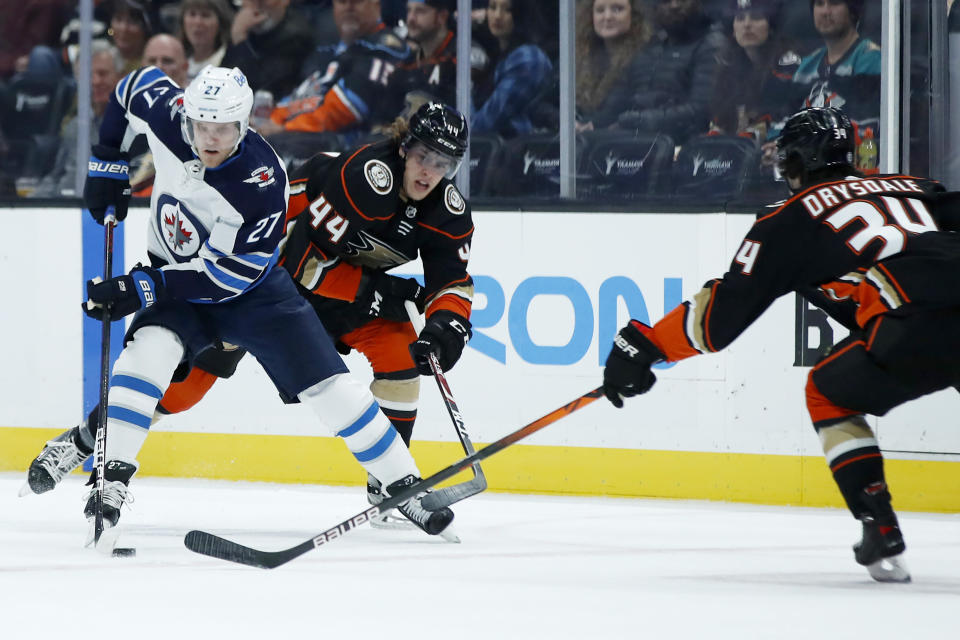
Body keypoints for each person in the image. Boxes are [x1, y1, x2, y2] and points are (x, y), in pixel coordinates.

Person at [21, 65, 454, 544]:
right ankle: (109, 480)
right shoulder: (169, 116)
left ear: (244, 123)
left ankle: (404, 484)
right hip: (176, 284)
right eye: (202, 125)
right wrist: (107, 159)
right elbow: (132, 87)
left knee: (331, 387)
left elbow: (228, 277)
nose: (211, 137)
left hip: (254, 294)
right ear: (187, 114)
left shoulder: (261, 181)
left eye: (224, 128)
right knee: (149, 360)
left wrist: (143, 288)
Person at [601, 106, 960, 584]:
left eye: (788, 163)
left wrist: (646, 346)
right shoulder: (914, 186)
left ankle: (880, 523)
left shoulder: (787, 219)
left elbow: (718, 319)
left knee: (828, 391)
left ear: (799, 164)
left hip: (910, 314)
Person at [256, 0, 411, 140]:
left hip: (346, 144)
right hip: (303, 133)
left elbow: (345, 108)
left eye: (356, 2)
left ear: (376, 4)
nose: (348, 8)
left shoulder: (386, 48)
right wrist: (272, 121)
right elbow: (301, 97)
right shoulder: (328, 49)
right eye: (342, 2)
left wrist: (285, 128)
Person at [591, 0, 728, 144]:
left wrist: (636, 120)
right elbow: (620, 98)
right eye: (665, 1)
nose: (674, 5)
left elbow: (700, 112)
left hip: (679, 147)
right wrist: (593, 124)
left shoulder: (711, 45)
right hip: (637, 140)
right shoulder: (652, 45)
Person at [30, 41, 124, 198]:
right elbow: (55, 178)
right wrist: (28, 207)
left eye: (103, 73)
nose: (95, 81)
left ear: (121, 77)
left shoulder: (137, 126)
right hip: (65, 210)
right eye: (87, 76)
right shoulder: (75, 126)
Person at [707, 0, 800, 141]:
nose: (747, 25)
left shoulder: (788, 62)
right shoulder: (727, 65)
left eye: (756, 17)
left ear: (771, 26)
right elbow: (721, 119)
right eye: (740, 18)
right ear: (733, 28)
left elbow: (785, 117)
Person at [471, 0, 553, 139]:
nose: (497, 16)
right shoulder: (495, 55)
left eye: (507, 10)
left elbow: (487, 121)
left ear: (521, 13)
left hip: (520, 151)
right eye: (492, 7)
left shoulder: (528, 58)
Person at [575, 0, 653, 133]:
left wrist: (595, 124)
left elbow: (638, 107)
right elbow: (539, 104)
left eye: (617, 9)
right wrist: (569, 122)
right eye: (600, 10)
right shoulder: (579, 56)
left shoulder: (647, 55)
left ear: (634, 14)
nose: (608, 17)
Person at [220, 0, 316, 98]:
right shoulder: (246, 29)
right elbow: (221, 81)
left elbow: (261, 87)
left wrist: (239, 38)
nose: (256, 5)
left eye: (263, 1)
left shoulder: (297, 36)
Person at [396, 0, 458, 107]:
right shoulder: (406, 60)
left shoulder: (460, 58)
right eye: (408, 10)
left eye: (420, 11)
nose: (410, 19)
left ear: (442, 17)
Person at [176, 0, 234, 82]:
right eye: (192, 14)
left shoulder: (232, 63)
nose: (198, 22)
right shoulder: (174, 60)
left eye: (205, 15)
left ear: (221, 23)